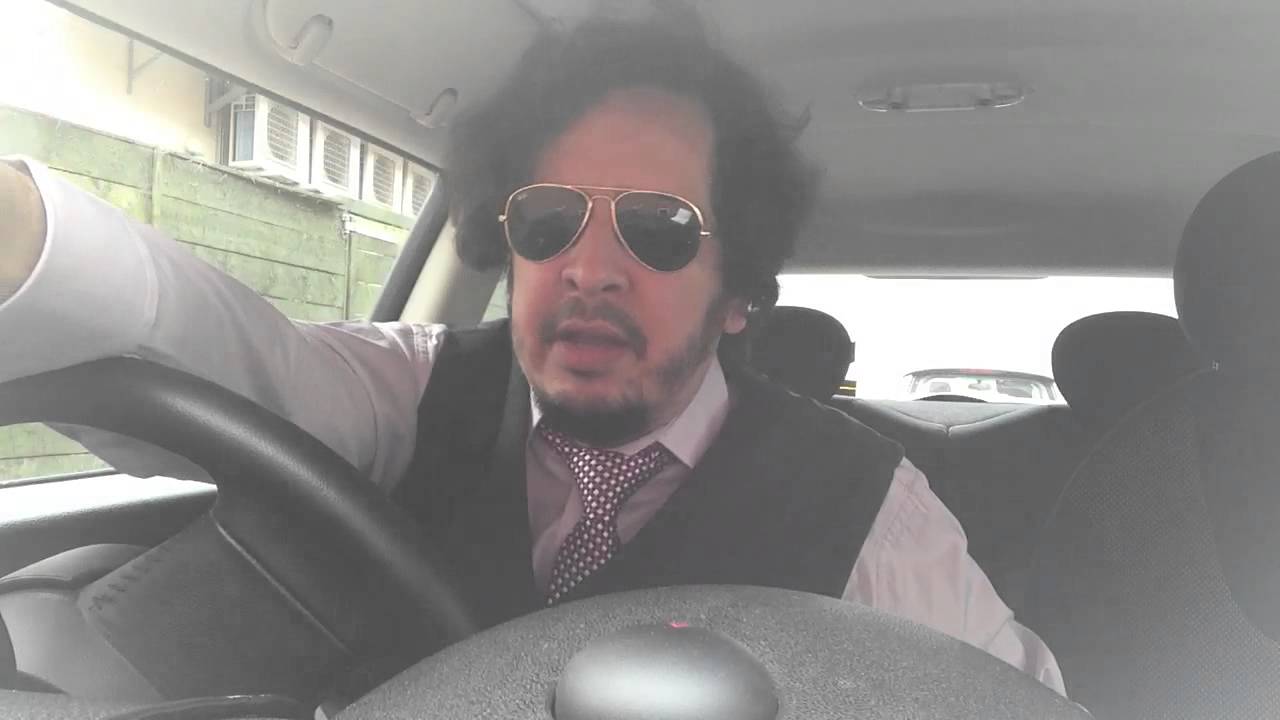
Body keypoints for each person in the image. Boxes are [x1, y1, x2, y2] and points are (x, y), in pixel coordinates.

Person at [0, 10, 1065, 695]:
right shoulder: (419, 387)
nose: (588, 268)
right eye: (549, 219)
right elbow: (245, 367)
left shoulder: (868, 507)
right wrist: (24, 245)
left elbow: (1007, 704)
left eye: (657, 228)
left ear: (738, 290)